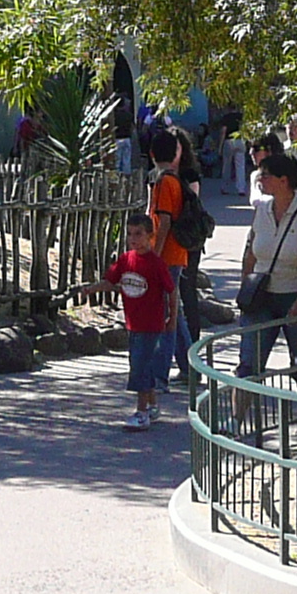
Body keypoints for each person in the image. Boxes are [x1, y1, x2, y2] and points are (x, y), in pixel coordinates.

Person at [237, 152, 297, 403]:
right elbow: (251, 252)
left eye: (265, 175)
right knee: (248, 363)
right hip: (262, 296)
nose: (259, 180)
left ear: (283, 180)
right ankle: (236, 424)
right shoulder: (262, 210)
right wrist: (245, 287)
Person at [105, 214, 178, 429]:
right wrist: (90, 289)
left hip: (152, 324)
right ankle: (153, 404)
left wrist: (172, 317)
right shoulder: (126, 259)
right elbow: (110, 280)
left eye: (138, 234)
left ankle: (141, 412)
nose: (133, 239)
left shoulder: (156, 264)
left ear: (150, 236)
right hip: (133, 323)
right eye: (129, 234)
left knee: (139, 367)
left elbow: (172, 292)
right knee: (141, 365)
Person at [148, 130, 210, 343]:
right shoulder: (163, 178)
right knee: (174, 309)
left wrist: (154, 254)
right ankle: (187, 362)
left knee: (176, 306)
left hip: (177, 247)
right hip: (174, 249)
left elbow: (165, 221)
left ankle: (185, 359)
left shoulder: (171, 180)